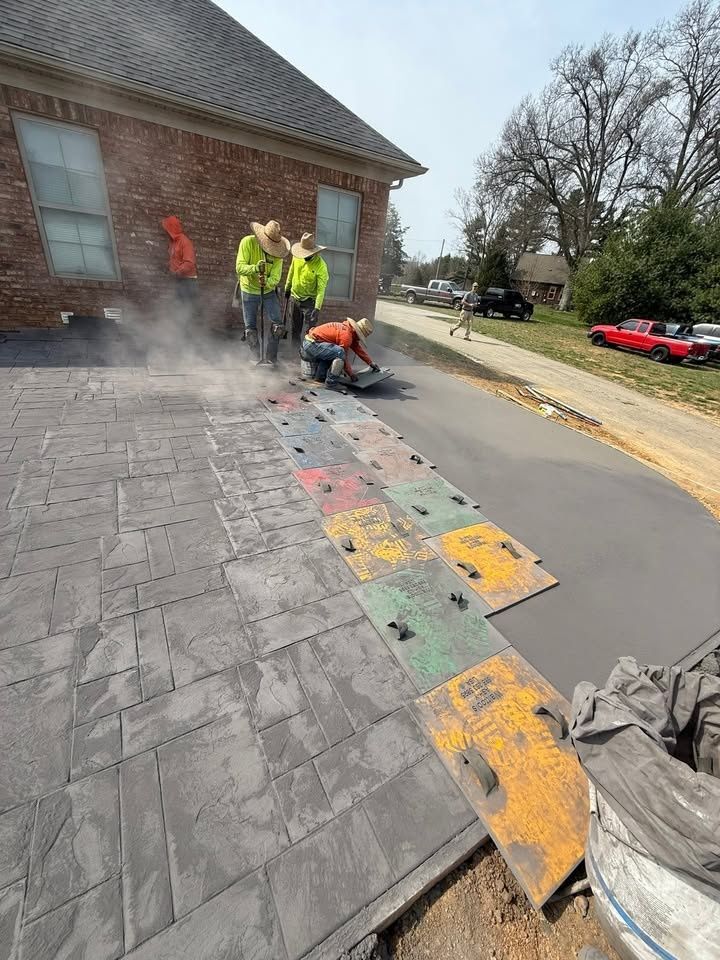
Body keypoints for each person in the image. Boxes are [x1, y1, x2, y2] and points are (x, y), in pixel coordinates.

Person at [235, 220, 290, 360]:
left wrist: (267, 283)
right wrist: (254, 268)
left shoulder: (279, 252)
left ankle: (271, 358)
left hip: (268, 292)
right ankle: (255, 358)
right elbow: (239, 267)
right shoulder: (247, 242)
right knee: (250, 330)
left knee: (278, 326)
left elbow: (276, 277)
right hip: (248, 290)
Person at [302, 317, 379, 389]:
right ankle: (331, 383)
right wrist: (351, 374)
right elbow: (343, 356)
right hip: (312, 345)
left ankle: (320, 377)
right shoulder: (346, 336)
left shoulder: (348, 330)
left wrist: (370, 362)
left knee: (332, 352)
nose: (359, 338)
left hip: (313, 343)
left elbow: (358, 349)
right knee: (339, 352)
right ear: (356, 332)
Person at [284, 232, 330, 349]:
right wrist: (287, 288)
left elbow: (321, 290)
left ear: (313, 253)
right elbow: (291, 272)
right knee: (295, 328)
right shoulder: (297, 257)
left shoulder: (321, 267)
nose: (304, 256)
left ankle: (308, 354)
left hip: (310, 301)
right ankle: (294, 354)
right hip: (295, 297)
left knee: (310, 331)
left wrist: (317, 308)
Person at [161, 216, 198, 320]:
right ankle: (181, 332)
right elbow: (175, 259)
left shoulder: (185, 242)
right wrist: (168, 266)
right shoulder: (173, 242)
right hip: (180, 280)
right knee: (179, 308)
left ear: (171, 228)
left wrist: (176, 272)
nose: (165, 232)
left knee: (187, 309)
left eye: (166, 229)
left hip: (188, 282)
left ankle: (189, 333)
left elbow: (189, 263)